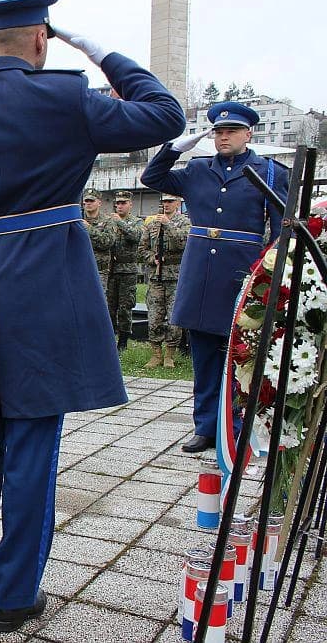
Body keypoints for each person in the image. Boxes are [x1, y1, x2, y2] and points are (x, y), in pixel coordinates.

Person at [0, 0, 184, 632]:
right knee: (32, 446)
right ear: (42, 42)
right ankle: (14, 597)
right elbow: (165, 115)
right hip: (49, 294)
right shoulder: (68, 99)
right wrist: (100, 51)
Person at [141, 102, 288, 453]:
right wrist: (174, 148)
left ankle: (235, 427)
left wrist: (268, 272)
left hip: (241, 272)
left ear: (248, 134)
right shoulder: (197, 169)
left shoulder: (268, 171)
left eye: (231, 131)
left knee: (241, 355)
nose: (224, 137)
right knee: (204, 354)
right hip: (199, 274)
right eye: (218, 132)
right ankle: (206, 426)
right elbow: (151, 178)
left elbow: (281, 227)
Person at [138, 194, 190, 369]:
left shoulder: (184, 222)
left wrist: (168, 225)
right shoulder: (152, 223)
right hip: (156, 277)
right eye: (164, 201)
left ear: (177, 203)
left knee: (174, 318)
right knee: (154, 317)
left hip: (176, 277)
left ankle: (170, 354)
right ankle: (156, 354)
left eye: (170, 201)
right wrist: (152, 258)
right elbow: (142, 249)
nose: (166, 204)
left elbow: (184, 243)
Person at [107, 190, 142, 350]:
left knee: (125, 307)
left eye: (123, 203)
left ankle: (123, 340)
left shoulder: (136, 222)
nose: (119, 206)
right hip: (110, 270)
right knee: (109, 306)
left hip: (127, 270)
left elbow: (135, 236)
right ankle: (109, 337)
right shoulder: (109, 221)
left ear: (130, 204)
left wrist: (119, 222)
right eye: (117, 203)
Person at [82, 188, 115, 293]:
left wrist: (89, 229)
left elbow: (108, 242)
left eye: (91, 201)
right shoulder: (77, 220)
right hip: (80, 267)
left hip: (99, 270)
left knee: (98, 301)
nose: (88, 203)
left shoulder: (107, 221)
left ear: (99, 203)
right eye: (86, 201)